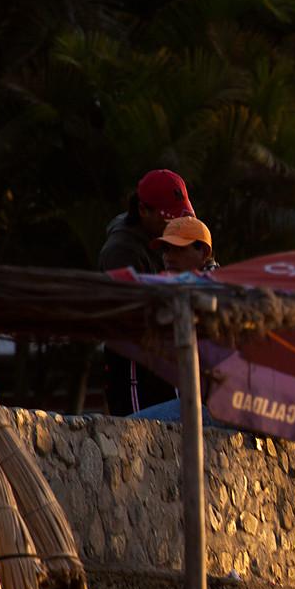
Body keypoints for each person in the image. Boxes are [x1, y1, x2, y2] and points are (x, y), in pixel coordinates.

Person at [101, 169, 194, 415]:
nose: (177, 226)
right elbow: (130, 319)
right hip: (136, 380)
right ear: (143, 210)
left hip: (164, 372)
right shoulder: (121, 252)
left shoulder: (163, 239)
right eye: (169, 219)